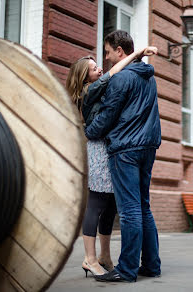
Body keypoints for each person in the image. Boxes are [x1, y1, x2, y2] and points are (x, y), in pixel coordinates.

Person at [65, 45, 158, 277]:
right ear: (84, 76)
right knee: (96, 202)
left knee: (110, 204)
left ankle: (105, 256)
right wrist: (137, 55)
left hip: (108, 147)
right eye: (94, 68)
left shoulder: (96, 89)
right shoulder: (90, 90)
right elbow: (113, 73)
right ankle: (90, 258)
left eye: (98, 66)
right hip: (98, 148)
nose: (99, 69)